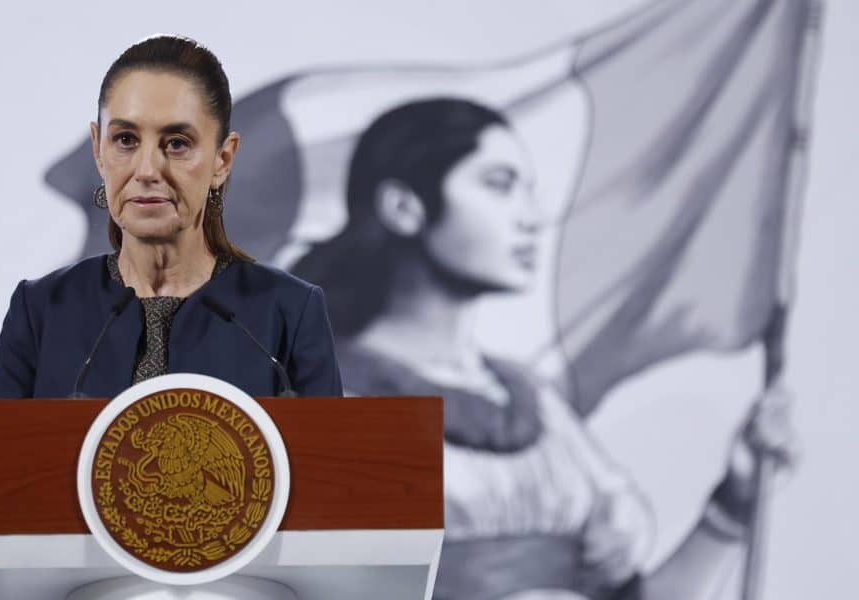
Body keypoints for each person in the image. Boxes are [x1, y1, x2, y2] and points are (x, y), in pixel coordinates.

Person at [292, 98, 796, 599]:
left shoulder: (538, 408)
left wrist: (731, 508)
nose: (533, 217)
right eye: (499, 185)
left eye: (530, 191)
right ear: (405, 207)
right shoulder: (332, 401)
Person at [0, 35, 342, 552]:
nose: (147, 169)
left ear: (223, 158)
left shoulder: (287, 311)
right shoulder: (41, 310)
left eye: (177, 143)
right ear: (98, 150)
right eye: (126, 140)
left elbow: (332, 502)